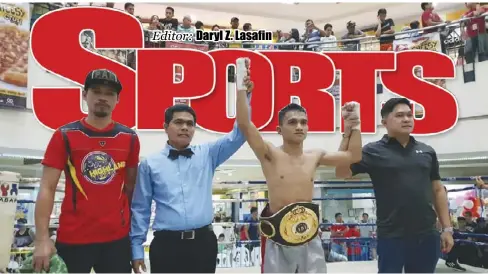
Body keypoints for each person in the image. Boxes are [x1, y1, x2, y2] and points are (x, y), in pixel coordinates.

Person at [235, 59, 362, 273]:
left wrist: (354, 125)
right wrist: (241, 85)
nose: (299, 126)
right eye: (292, 122)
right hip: (277, 238)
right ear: (279, 129)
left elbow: (352, 156)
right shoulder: (270, 154)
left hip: (309, 236)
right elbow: (244, 124)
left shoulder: (315, 155)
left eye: (303, 122)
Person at [130, 77, 253, 274]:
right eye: (178, 122)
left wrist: (244, 95)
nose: (185, 127)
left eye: (190, 124)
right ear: (165, 127)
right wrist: (136, 248)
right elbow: (141, 209)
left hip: (203, 244)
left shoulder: (208, 154)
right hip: (166, 245)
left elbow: (239, 134)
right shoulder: (149, 164)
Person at [32, 69, 140, 273]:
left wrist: (134, 237)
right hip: (73, 239)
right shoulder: (64, 135)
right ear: (85, 94)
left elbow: (131, 187)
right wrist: (41, 239)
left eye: (109, 93)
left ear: (117, 99)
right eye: (96, 91)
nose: (102, 98)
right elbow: (47, 188)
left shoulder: (130, 138)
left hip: (116, 240)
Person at [335, 97, 454, 273]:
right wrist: (348, 132)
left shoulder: (427, 151)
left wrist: (447, 228)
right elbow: (341, 172)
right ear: (384, 122)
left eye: (409, 115)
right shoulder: (373, 151)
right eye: (399, 115)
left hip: (426, 234)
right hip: (391, 236)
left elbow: (437, 190)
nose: (406, 119)